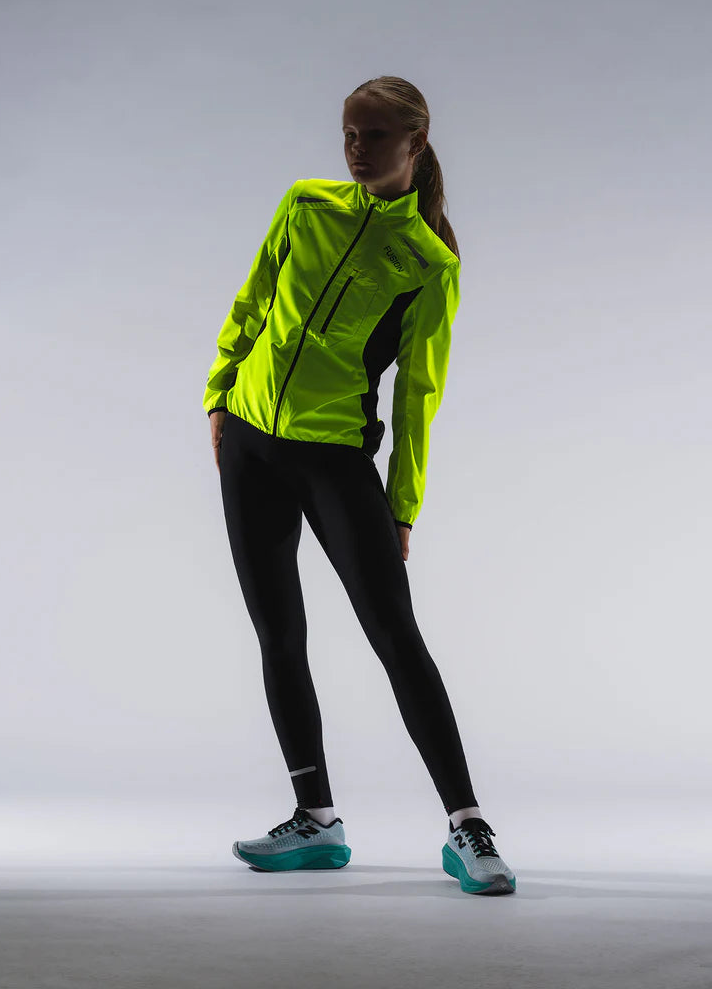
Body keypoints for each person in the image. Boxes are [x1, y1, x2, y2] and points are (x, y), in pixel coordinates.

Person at [203, 75, 517, 895]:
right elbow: (254, 298)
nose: (355, 149)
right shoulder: (305, 204)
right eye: (348, 132)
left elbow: (419, 396)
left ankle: (467, 826)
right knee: (278, 635)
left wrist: (403, 505)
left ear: (416, 143)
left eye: (374, 135)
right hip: (250, 446)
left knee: (395, 638)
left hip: (335, 460)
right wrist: (220, 393)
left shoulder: (428, 261)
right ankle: (316, 819)